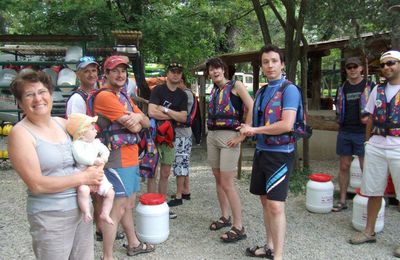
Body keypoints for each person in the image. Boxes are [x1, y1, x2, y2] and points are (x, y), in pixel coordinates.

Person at [8, 70, 104, 259]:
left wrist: (97, 167)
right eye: (29, 94)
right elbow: (37, 184)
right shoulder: (20, 133)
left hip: (82, 209)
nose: (38, 99)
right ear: (20, 103)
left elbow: (89, 148)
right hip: (51, 216)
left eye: (42, 92)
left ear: (51, 95)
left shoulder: (63, 123)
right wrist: (83, 177)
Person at [239, 45, 301, 260]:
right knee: (265, 201)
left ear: (282, 64)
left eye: (274, 61)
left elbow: (286, 124)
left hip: (280, 153)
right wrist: (244, 132)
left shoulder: (289, 90)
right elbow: (253, 116)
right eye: (266, 62)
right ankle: (269, 246)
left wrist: (254, 130)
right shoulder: (262, 91)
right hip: (262, 151)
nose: (270, 65)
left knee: (275, 205)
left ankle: (279, 255)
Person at [92, 55, 154, 259]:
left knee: (127, 204)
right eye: (115, 70)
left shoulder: (124, 96)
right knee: (116, 207)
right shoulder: (105, 96)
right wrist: (137, 118)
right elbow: (133, 124)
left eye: (123, 70)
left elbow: (145, 121)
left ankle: (133, 243)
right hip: (116, 158)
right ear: (107, 74)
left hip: (130, 156)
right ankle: (107, 256)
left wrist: (137, 117)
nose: (120, 74)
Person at [65, 56, 125, 242]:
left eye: (93, 70)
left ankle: (100, 226)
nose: (91, 74)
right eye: (86, 71)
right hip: (85, 150)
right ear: (78, 74)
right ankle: (99, 228)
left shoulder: (99, 93)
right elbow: (75, 128)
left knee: (100, 188)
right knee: (93, 189)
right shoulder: (77, 98)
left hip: (97, 147)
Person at [348, 50, 400, 258]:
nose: (387, 67)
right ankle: (369, 231)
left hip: (398, 146)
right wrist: (368, 141)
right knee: (373, 191)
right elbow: (369, 118)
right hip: (377, 146)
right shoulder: (377, 90)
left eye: (391, 63)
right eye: (383, 64)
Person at [205, 57, 253, 242]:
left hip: (230, 137)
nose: (215, 71)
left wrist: (243, 134)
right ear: (209, 73)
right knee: (218, 179)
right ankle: (225, 216)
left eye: (217, 68)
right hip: (213, 136)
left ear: (223, 69)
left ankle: (239, 226)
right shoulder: (214, 90)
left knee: (227, 183)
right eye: (211, 69)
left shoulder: (236, 85)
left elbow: (251, 105)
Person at [332, 57, 374, 212]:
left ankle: (369, 202)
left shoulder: (370, 87)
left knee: (366, 167)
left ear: (361, 68)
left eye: (355, 66)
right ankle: (343, 201)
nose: (352, 70)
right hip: (345, 131)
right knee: (344, 166)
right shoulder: (342, 88)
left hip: (364, 133)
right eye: (349, 67)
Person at [148, 62, 188, 219]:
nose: (176, 74)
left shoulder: (182, 95)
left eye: (178, 72)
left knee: (165, 172)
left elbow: (184, 117)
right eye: (173, 71)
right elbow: (151, 112)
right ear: (167, 73)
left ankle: (162, 205)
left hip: (170, 137)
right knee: (152, 171)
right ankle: (150, 205)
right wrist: (173, 115)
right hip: (154, 135)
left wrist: (164, 110)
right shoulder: (158, 90)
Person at [66, 113, 114, 225]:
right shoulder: (77, 144)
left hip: (97, 172)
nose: (96, 131)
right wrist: (93, 161)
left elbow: (105, 150)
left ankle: (105, 213)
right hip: (82, 172)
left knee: (110, 193)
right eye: (92, 129)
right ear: (82, 134)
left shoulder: (95, 142)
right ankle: (86, 211)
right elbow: (80, 157)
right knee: (83, 190)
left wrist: (104, 157)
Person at [168, 74, 194, 207]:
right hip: (183, 133)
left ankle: (179, 195)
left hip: (182, 133)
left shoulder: (185, 95)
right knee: (183, 162)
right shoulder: (186, 94)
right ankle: (186, 191)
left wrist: (166, 110)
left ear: (181, 81)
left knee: (180, 163)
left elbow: (179, 115)